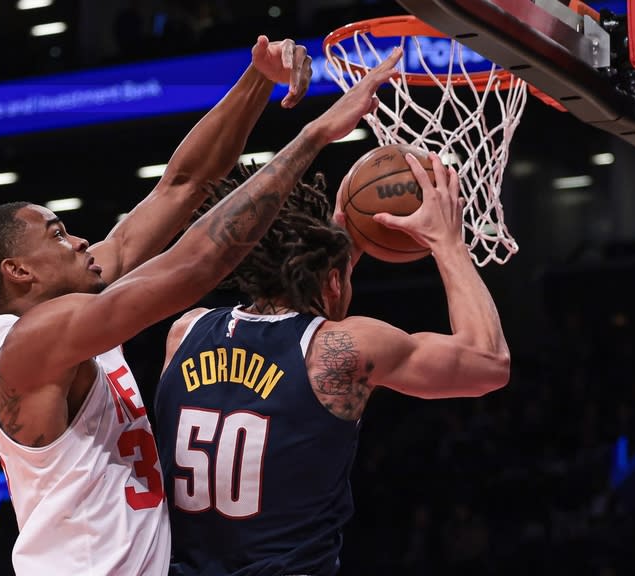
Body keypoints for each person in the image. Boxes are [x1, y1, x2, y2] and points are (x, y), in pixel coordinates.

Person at [0, 33, 402, 576]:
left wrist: (257, 79)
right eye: (57, 235)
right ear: (18, 272)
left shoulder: (74, 303)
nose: (78, 242)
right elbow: (195, 266)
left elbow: (182, 185)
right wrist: (312, 137)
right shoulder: (31, 343)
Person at [154, 151, 511, 575]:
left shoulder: (186, 332)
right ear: (336, 280)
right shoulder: (343, 349)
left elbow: (308, 308)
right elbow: (489, 362)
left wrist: (338, 246)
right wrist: (448, 243)